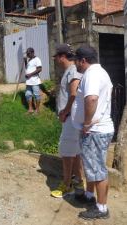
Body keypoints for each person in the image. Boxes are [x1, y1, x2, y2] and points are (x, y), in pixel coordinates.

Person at [71, 46, 114, 220]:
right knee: (92, 167)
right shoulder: (99, 72)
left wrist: (87, 122)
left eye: (76, 60)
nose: (75, 64)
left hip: (95, 130)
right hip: (96, 130)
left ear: (83, 60)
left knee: (97, 170)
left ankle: (102, 208)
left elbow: (92, 98)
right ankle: (89, 197)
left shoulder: (92, 74)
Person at [50, 44, 84, 198]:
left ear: (62, 56)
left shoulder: (73, 71)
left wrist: (65, 112)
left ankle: (67, 185)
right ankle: (78, 180)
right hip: (72, 118)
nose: (56, 60)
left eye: (56, 57)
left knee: (66, 153)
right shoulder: (71, 71)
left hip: (70, 118)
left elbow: (73, 94)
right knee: (75, 152)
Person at [24, 47, 42, 114]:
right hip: (28, 82)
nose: (27, 55)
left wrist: (30, 75)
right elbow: (27, 68)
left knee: (37, 95)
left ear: (32, 52)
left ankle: (37, 110)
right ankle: (30, 109)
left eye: (28, 53)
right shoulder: (29, 60)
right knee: (28, 95)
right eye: (27, 54)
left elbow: (39, 69)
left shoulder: (37, 59)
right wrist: (25, 61)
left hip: (35, 81)